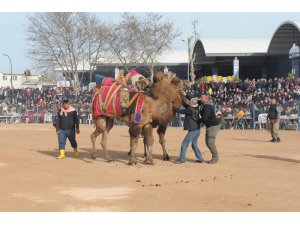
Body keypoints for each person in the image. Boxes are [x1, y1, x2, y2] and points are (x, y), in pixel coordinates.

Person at [172, 97, 204, 164]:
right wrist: (181, 98)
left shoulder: (190, 109)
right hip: (197, 129)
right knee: (194, 145)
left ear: (192, 103)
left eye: (189, 101)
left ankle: (182, 159)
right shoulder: (196, 107)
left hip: (193, 130)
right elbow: (185, 105)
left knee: (184, 144)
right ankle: (200, 158)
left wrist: (172, 107)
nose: (188, 101)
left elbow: (180, 111)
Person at [199, 94, 221, 164]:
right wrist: (186, 95)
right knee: (208, 142)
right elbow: (194, 100)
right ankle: (215, 157)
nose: (200, 98)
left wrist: (196, 120)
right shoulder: (204, 104)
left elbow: (205, 118)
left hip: (213, 126)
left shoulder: (207, 106)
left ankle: (215, 158)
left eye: (201, 97)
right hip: (210, 126)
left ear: (206, 99)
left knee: (210, 142)